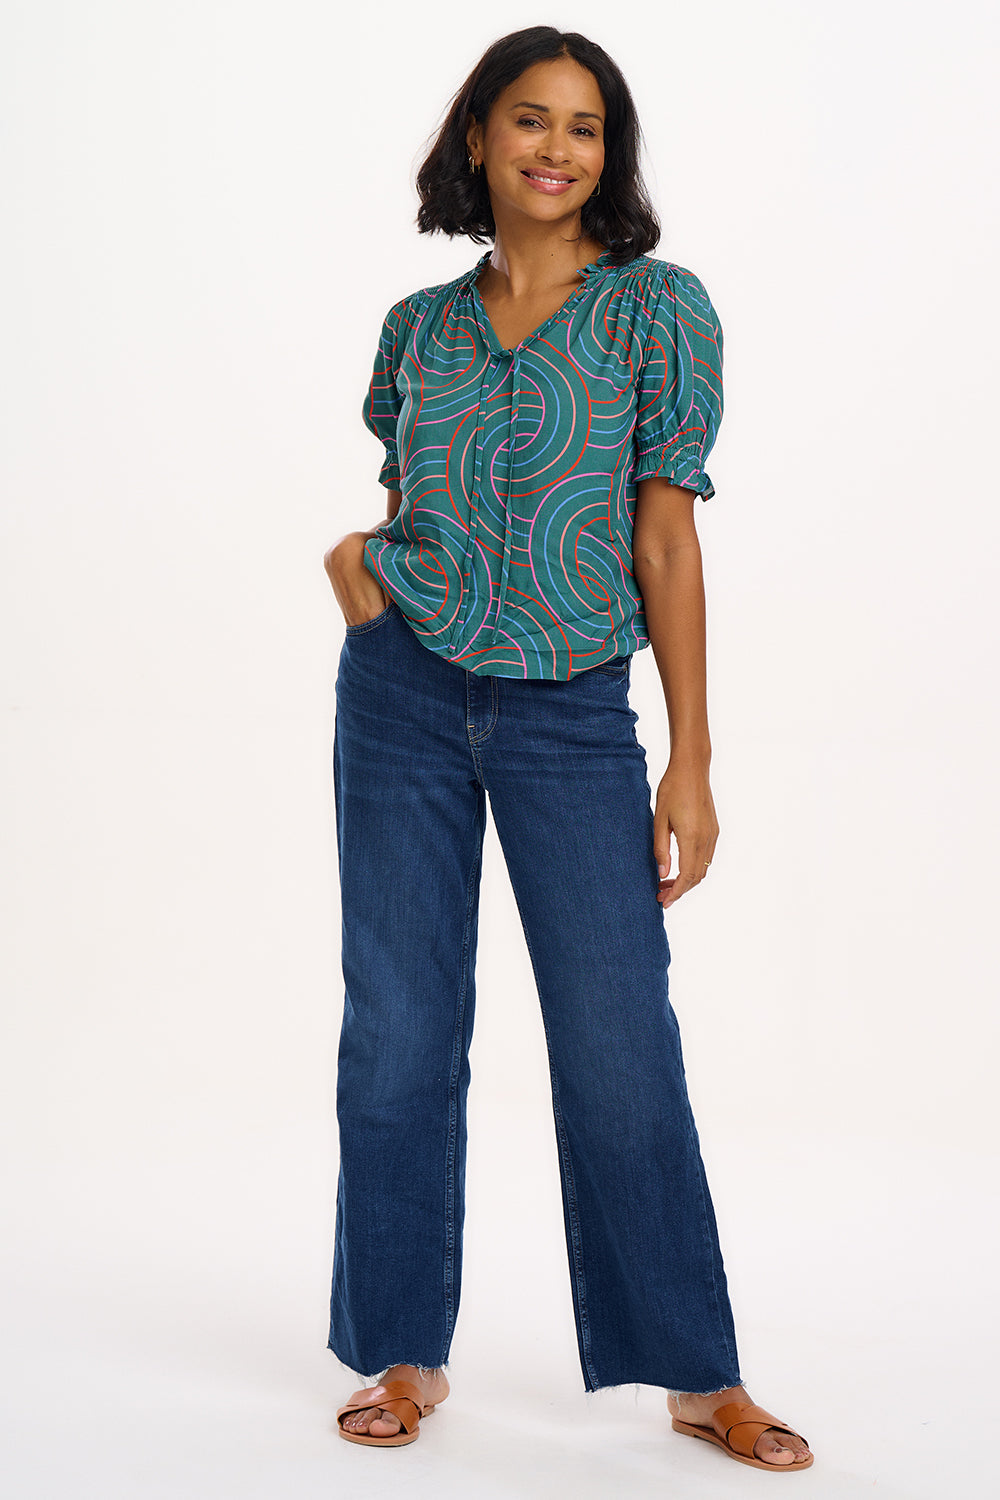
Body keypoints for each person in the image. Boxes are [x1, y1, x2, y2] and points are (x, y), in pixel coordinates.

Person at [323, 25, 813, 1473]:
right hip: (400, 700)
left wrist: (691, 758)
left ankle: (696, 1372)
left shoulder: (659, 310)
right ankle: (402, 1349)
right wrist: (357, 575)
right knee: (399, 1026)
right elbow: (409, 503)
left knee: (617, 1038)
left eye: (586, 126)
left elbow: (666, 541)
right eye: (530, 120)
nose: (557, 148)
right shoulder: (419, 326)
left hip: (571, 713)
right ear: (477, 137)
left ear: (612, 152)